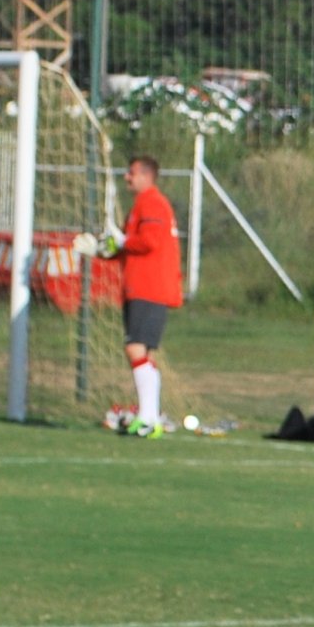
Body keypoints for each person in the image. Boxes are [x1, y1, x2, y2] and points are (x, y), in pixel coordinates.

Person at [107, 156, 183, 438]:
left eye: (132, 173)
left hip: (149, 287)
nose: (127, 177)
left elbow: (149, 241)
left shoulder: (151, 202)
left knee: (135, 349)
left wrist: (123, 241)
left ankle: (150, 417)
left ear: (146, 176)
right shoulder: (143, 204)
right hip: (142, 286)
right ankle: (149, 417)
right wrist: (107, 249)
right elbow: (134, 245)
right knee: (143, 353)